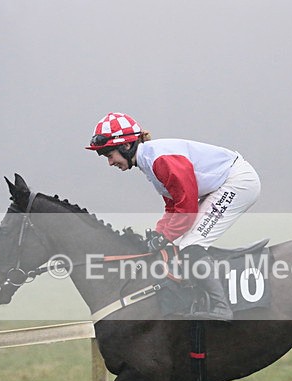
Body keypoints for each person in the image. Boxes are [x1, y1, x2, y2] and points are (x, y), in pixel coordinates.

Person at [86, 112, 261, 321]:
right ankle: (194, 293)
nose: (110, 163)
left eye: (109, 155)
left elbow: (186, 209)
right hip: (222, 184)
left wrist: (164, 236)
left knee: (191, 243)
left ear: (125, 146)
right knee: (178, 241)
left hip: (238, 182)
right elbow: (173, 206)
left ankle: (221, 307)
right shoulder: (148, 161)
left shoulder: (160, 160)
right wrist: (159, 234)